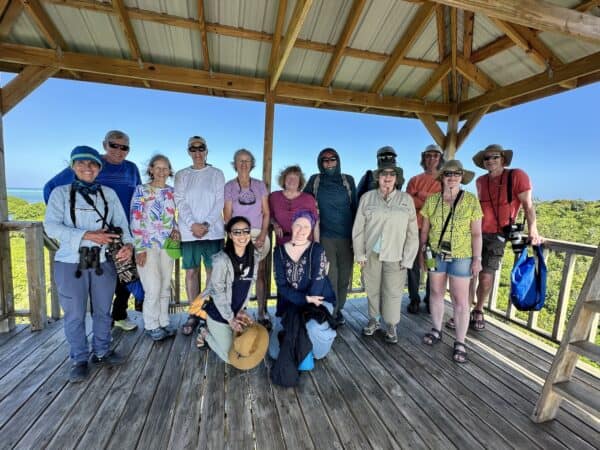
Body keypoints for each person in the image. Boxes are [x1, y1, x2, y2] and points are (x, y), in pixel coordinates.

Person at [44, 146, 133, 382]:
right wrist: (88, 235)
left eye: (93, 164)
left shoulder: (108, 193)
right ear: (73, 166)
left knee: (103, 309)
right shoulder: (60, 194)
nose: (87, 168)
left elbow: (122, 225)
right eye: (81, 163)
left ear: (99, 168)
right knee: (74, 313)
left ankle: (102, 351)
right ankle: (79, 359)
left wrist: (129, 246)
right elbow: (51, 227)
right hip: (71, 261)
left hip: (103, 259)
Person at [43, 130, 141, 332]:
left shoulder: (131, 168)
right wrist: (67, 223)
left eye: (124, 147)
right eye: (114, 145)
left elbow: (139, 197)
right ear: (104, 144)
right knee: (99, 279)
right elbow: (51, 187)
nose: (119, 150)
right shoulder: (90, 163)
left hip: (123, 231)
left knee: (125, 275)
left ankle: (119, 315)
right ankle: (95, 328)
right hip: (92, 237)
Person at [469, 144, 543, 331]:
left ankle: (478, 309)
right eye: (487, 158)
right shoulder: (480, 181)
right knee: (469, 274)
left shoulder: (516, 175)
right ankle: (464, 310)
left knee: (486, 276)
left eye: (495, 157)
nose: (490, 161)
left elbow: (528, 205)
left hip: (498, 236)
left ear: (503, 159)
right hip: (475, 232)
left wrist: (533, 229)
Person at [419, 160, 482, 363]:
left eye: (457, 173)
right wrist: (422, 252)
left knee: (460, 300)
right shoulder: (432, 200)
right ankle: (436, 329)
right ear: (442, 177)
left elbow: (476, 234)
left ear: (462, 177)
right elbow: (425, 231)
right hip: (435, 253)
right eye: (448, 173)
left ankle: (461, 341)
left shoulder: (471, 201)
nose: (452, 177)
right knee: (436, 293)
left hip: (462, 256)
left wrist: (476, 259)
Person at [352, 161, 418, 344]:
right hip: (372, 253)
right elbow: (358, 229)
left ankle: (391, 324)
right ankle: (373, 320)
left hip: (396, 254)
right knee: (372, 288)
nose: (387, 178)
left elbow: (413, 232)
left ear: (396, 179)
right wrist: (360, 254)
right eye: (383, 174)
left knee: (393, 291)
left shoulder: (406, 200)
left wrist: (408, 258)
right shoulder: (367, 198)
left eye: (391, 174)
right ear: (378, 178)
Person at [269, 210, 337, 385]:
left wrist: (306, 300)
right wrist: (304, 299)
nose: (301, 230)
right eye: (297, 225)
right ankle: (301, 349)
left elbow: (316, 287)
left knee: (311, 328)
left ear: (311, 229)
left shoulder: (317, 250)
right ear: (291, 226)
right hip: (289, 304)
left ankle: (315, 349)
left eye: (306, 226)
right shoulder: (279, 252)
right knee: (275, 353)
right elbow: (282, 286)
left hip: (319, 303)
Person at [195, 216, 268, 364]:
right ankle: (204, 332)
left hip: (236, 312)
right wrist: (230, 318)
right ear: (230, 235)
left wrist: (241, 310)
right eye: (237, 232)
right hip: (219, 314)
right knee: (231, 358)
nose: (242, 235)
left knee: (246, 348)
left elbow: (249, 284)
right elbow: (218, 293)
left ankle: (219, 333)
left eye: (245, 231)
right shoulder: (222, 260)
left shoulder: (254, 256)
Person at [175, 136, 226, 336]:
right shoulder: (181, 175)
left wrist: (205, 224)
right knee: (191, 273)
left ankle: (208, 310)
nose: (197, 152)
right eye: (193, 148)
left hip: (212, 232)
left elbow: (220, 201)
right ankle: (194, 312)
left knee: (213, 274)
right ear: (188, 151)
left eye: (201, 148)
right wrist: (192, 225)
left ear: (206, 150)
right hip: (189, 233)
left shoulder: (216, 173)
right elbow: (180, 201)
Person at [304, 147, 357, 325]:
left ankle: (339, 310)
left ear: (338, 161)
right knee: (330, 276)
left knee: (344, 277)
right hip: (325, 237)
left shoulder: (347, 180)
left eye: (332, 159)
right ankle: (331, 312)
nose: (329, 163)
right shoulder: (315, 180)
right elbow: (303, 202)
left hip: (347, 237)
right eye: (325, 160)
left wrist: (358, 237)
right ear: (320, 163)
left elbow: (356, 208)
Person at [130, 154, 179, 341]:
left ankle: (164, 321)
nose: (161, 171)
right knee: (153, 287)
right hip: (147, 245)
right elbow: (135, 219)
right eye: (157, 167)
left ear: (169, 171)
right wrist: (139, 248)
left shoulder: (172, 192)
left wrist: (176, 230)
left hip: (167, 244)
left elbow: (172, 217)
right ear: (150, 169)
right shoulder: (141, 190)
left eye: (165, 168)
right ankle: (151, 324)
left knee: (166, 285)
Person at [223, 149, 271, 328]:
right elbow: (227, 216)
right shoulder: (229, 186)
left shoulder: (260, 185)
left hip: (258, 234)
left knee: (259, 274)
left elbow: (266, 213)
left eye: (247, 161)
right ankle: (239, 311)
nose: (243, 164)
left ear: (252, 164)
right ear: (234, 164)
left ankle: (261, 311)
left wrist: (263, 234)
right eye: (240, 161)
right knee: (239, 276)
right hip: (239, 236)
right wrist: (238, 237)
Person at [405, 144, 444, 314]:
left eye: (435, 155)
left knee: (432, 264)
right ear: (423, 158)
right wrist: (431, 200)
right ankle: (414, 299)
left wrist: (420, 195)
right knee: (412, 266)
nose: (432, 158)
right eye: (428, 155)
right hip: (415, 229)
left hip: (434, 231)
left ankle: (430, 299)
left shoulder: (445, 180)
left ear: (440, 158)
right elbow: (408, 203)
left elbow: (442, 205)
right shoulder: (414, 179)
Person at [269, 165, 319, 246]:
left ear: (300, 182)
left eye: (296, 178)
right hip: (282, 245)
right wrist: (275, 224)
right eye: (289, 177)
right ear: (283, 180)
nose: (292, 180)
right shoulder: (274, 197)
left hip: (305, 245)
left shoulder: (308, 199)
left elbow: (316, 223)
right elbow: (269, 215)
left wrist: (317, 246)